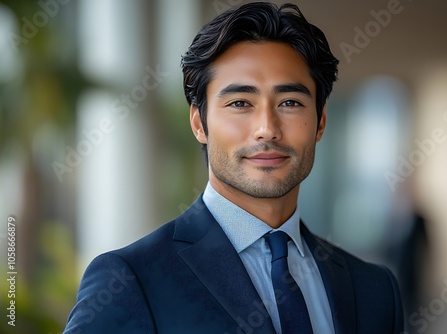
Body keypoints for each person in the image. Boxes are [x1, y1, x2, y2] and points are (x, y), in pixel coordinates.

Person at [64, 2, 404, 333]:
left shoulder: (374, 289)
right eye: (240, 103)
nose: (267, 128)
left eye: (290, 102)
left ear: (320, 122)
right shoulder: (129, 280)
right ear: (199, 123)